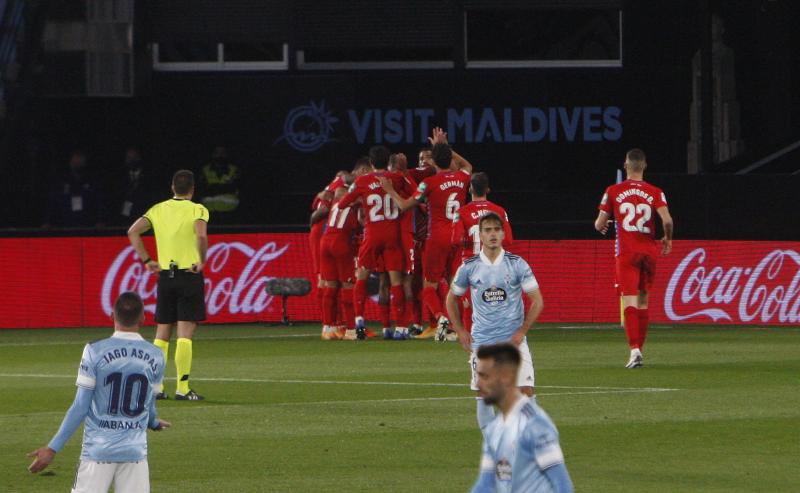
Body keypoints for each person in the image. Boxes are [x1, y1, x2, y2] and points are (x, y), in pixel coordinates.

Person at [27, 292, 170, 493]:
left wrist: (52, 448)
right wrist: (154, 422)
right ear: (143, 318)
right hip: (135, 454)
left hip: (97, 452)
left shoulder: (94, 350)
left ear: (112, 316)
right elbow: (149, 403)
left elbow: (80, 406)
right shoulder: (156, 355)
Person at [446, 212, 544, 432]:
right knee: (485, 395)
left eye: (497, 229)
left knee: (526, 391)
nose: (492, 234)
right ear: (480, 235)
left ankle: (529, 445)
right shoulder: (469, 267)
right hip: (483, 343)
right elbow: (452, 298)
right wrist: (460, 330)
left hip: (514, 343)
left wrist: (522, 331)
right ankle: (494, 448)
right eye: (488, 230)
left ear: (503, 233)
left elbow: (537, 301)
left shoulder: (517, 264)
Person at [381, 127, 472, 342]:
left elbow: (404, 206)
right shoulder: (462, 177)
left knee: (428, 287)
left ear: (432, 162)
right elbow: (467, 165)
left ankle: (440, 317)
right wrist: (444, 147)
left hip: (436, 239)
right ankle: (460, 329)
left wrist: (390, 191)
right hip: (457, 237)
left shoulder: (428, 183)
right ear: (450, 158)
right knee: (454, 286)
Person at [127, 170, 209, 400]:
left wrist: (146, 260)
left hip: (166, 276)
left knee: (162, 331)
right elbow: (201, 236)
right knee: (185, 333)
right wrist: (202, 260)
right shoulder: (198, 209)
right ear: (192, 189)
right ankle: (183, 389)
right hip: (189, 274)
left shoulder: (157, 209)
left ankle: (156, 387)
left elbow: (132, 232)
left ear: (172, 187)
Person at [594, 148, 673, 368]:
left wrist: (604, 225)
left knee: (629, 300)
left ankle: (634, 350)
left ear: (625, 165)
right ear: (644, 166)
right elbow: (667, 220)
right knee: (644, 300)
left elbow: (599, 224)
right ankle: (640, 349)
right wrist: (667, 238)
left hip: (626, 252)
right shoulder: (655, 191)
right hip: (649, 251)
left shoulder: (613, 190)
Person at [470, 343, 573, 493]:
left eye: (485, 376)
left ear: (506, 376)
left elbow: (562, 485)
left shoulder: (535, 425)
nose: (478, 383)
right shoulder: (494, 428)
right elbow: (485, 485)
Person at [337, 146, 416, 340]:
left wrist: (361, 200)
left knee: (362, 277)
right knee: (396, 282)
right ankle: (401, 328)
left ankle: (359, 323)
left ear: (371, 163)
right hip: (393, 235)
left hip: (371, 235)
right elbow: (416, 193)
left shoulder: (362, 181)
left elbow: (341, 204)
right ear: (388, 161)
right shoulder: (396, 178)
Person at [451, 172, 514, 332]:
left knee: (468, 305)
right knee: (495, 303)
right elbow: (508, 241)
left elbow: (455, 240)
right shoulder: (499, 211)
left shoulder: (461, 213)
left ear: (470, 189)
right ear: (488, 189)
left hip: (471, 265)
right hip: (494, 264)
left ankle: (473, 348)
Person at [43, 149, 103, 228]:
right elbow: (53, 202)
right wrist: (48, 222)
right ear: (70, 161)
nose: (78, 161)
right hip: (65, 225)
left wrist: (100, 220)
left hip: (87, 225)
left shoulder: (91, 181)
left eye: (80, 157)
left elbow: (98, 202)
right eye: (75, 158)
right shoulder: (62, 181)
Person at [113, 146, 158, 225]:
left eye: (133, 157)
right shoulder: (120, 177)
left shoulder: (149, 176)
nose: (130, 160)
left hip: (143, 216)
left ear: (138, 158)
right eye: (128, 158)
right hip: (125, 217)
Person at [198, 146, 240, 223]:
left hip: (230, 212)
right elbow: (201, 189)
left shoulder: (234, 169)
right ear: (212, 155)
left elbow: (235, 187)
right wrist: (223, 188)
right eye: (217, 153)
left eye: (222, 153)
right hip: (208, 213)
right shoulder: (205, 170)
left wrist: (213, 188)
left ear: (226, 154)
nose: (220, 155)